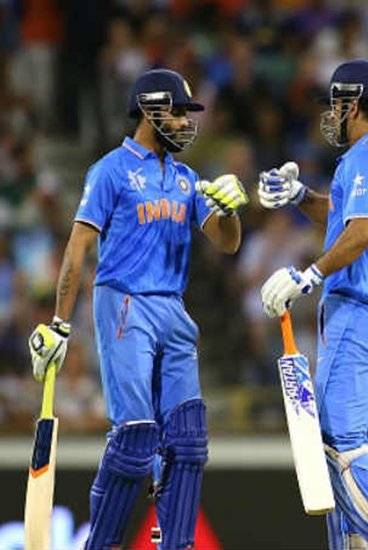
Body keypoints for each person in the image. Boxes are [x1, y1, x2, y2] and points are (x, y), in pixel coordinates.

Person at [28, 68, 247, 549]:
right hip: (124, 302)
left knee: (188, 443)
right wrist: (59, 324)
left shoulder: (188, 179)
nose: (186, 122)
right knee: (135, 438)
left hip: (172, 308)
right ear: (148, 109)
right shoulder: (110, 170)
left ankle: (176, 544)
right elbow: (78, 247)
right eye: (177, 110)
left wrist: (230, 210)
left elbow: (226, 243)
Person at [257, 59, 368, 550]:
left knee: (335, 440)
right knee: (358, 443)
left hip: (359, 312)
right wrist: (299, 195)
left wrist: (308, 275)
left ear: (353, 104)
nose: (331, 114)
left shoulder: (361, 159)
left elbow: (362, 231)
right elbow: (347, 215)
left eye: (336, 103)